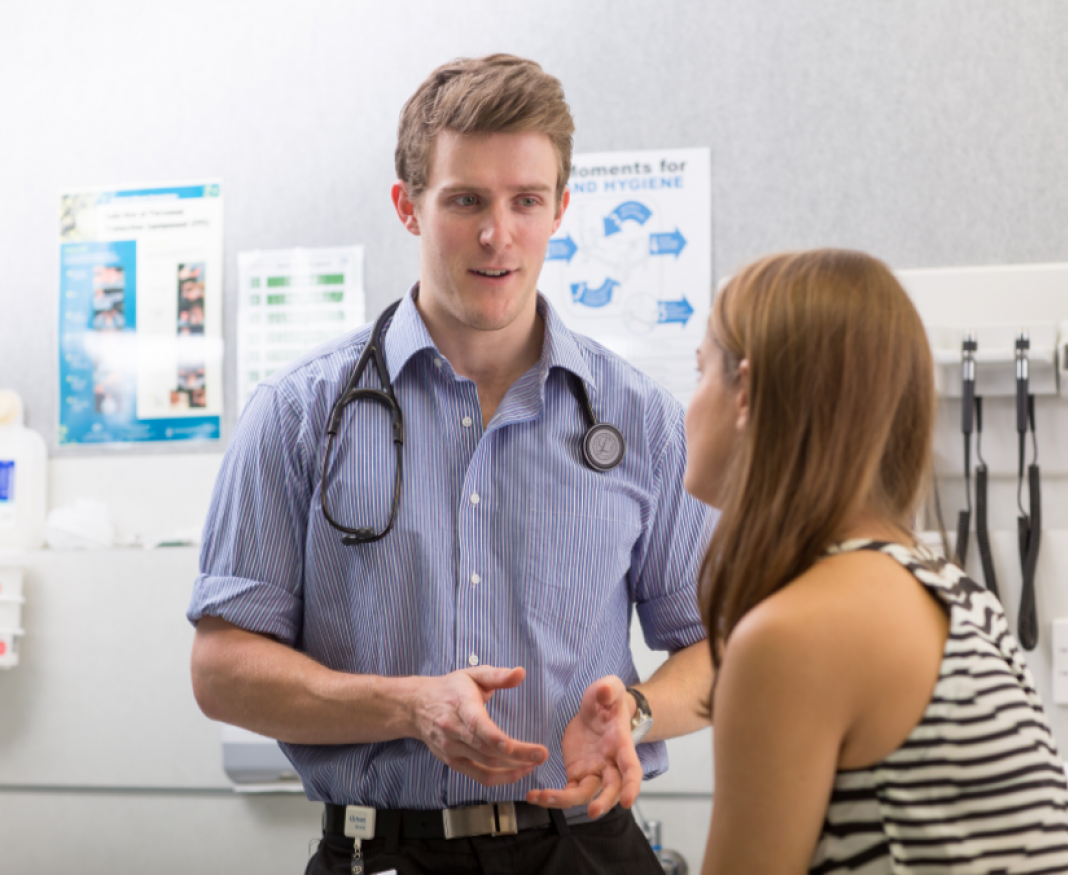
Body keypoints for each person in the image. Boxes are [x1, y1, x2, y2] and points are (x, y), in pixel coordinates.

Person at [188, 54, 713, 875]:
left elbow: (719, 650)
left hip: (582, 848)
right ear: (409, 205)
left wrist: (637, 711)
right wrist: (409, 704)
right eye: (466, 200)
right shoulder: (299, 414)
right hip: (381, 848)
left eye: (526, 200)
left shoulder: (641, 420)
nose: (497, 234)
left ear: (560, 207)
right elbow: (222, 671)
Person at [689, 250, 1068, 874]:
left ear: (747, 393)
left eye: (699, 372)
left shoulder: (798, 635)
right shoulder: (956, 592)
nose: (687, 406)